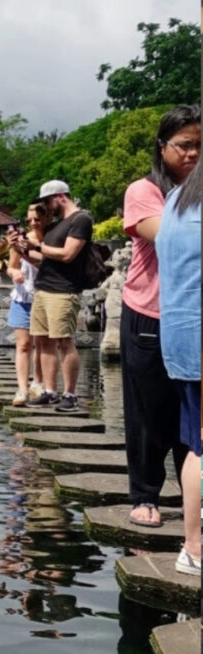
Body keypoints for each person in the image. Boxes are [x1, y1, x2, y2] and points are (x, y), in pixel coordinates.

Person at [118, 105, 200, 528]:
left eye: (200, 146)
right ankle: (145, 494)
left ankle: (193, 502)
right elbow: (168, 234)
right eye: (184, 145)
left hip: (193, 317)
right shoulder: (144, 190)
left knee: (194, 415)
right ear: (162, 147)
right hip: (150, 313)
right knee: (148, 413)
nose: (192, 154)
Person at [155, 159, 201, 575]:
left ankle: (193, 544)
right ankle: (195, 547)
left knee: (197, 446)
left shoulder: (177, 198)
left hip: (182, 340)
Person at [13, 180, 92, 412]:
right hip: (43, 288)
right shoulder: (58, 225)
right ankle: (50, 390)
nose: (46, 208)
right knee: (43, 342)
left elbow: (68, 254)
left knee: (64, 342)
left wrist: (36, 247)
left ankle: (70, 394)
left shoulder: (81, 220)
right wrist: (22, 250)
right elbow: (44, 259)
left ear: (60, 196)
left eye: (47, 202)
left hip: (63, 290)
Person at [5, 204, 52, 406]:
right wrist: (14, 273)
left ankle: (38, 383)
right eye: (30, 219)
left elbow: (49, 263)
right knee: (23, 344)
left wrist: (28, 253)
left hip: (46, 296)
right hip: (23, 297)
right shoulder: (21, 241)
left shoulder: (53, 240)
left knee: (43, 344)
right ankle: (22, 389)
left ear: (47, 217)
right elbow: (11, 266)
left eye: (37, 219)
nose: (33, 223)